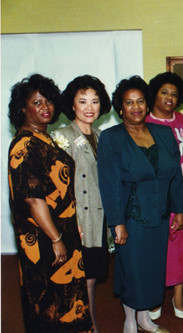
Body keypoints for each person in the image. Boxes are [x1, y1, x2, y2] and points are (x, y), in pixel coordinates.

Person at [97, 76, 183, 333]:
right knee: (132, 269)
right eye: (128, 102)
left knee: (153, 268)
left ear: (147, 105)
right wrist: (117, 223)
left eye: (140, 101)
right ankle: (130, 321)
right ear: (120, 108)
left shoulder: (164, 133)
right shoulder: (112, 138)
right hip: (131, 217)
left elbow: (175, 175)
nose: (135, 107)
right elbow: (109, 183)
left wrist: (180, 209)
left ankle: (145, 319)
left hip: (159, 215)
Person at [7, 74, 93, 332]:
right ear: (23, 108)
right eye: (37, 102)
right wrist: (56, 240)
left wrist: (72, 226)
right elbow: (34, 200)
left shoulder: (45, 139)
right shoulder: (24, 145)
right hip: (44, 239)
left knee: (68, 298)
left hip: (62, 231)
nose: (45, 108)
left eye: (49, 102)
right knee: (49, 302)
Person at [51, 75, 111, 333]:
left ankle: (88, 321)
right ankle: (88, 325)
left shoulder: (101, 136)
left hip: (99, 218)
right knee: (79, 279)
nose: (90, 107)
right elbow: (57, 187)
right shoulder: (61, 137)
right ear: (72, 105)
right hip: (77, 219)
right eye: (83, 100)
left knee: (91, 277)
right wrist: (68, 223)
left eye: (95, 101)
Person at [146, 72, 183, 320]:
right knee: (157, 249)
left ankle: (178, 295)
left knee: (181, 247)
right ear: (154, 94)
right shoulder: (143, 123)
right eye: (164, 92)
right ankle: (155, 298)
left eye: (175, 94)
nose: (170, 98)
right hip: (157, 200)